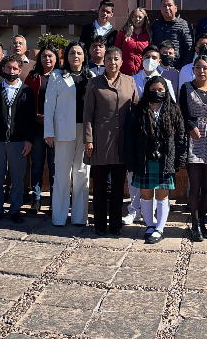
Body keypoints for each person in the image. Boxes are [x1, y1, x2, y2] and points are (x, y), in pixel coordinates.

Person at [83, 46, 138, 235]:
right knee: (99, 186)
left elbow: (135, 109)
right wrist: (88, 139)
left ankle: (115, 224)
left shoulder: (129, 81)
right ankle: (99, 225)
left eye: (116, 59)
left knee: (117, 186)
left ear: (121, 62)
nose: (112, 62)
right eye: (108, 59)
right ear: (104, 61)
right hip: (100, 141)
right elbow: (88, 114)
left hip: (122, 142)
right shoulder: (94, 83)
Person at [125, 76, 185, 244]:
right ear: (147, 91)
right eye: (153, 90)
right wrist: (131, 160)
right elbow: (129, 137)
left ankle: (160, 228)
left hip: (165, 160)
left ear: (166, 91)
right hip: (144, 158)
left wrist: (179, 159)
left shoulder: (173, 110)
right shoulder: (139, 110)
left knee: (162, 195)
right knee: (145, 194)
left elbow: (181, 136)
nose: (157, 93)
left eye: (160, 90)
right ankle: (149, 226)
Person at [0, 56, 35, 224]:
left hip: (18, 141)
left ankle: (15, 209)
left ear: (19, 70)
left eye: (14, 68)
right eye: (8, 68)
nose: (11, 71)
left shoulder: (26, 91)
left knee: (17, 178)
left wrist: (29, 140)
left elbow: (31, 118)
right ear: (3, 69)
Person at [43, 42, 91, 228]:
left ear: (84, 56)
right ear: (66, 57)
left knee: (82, 174)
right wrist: (49, 132)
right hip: (63, 130)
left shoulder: (91, 76)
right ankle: (59, 216)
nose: (75, 56)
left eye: (79, 53)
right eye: (72, 53)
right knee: (62, 175)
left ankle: (79, 217)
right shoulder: (57, 75)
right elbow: (49, 105)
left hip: (85, 131)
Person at [179, 55, 207, 242]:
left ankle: (203, 221)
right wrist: (190, 126)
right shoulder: (186, 88)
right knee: (194, 185)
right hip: (194, 137)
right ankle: (195, 223)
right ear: (193, 70)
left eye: (205, 68)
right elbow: (181, 112)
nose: (201, 71)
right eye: (198, 67)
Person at [25, 47, 57, 214]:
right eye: (44, 56)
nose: (47, 59)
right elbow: (25, 101)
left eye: (50, 56)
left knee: (53, 165)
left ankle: (54, 200)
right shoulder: (32, 77)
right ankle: (36, 199)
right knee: (37, 164)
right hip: (36, 127)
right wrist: (35, 115)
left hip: (55, 128)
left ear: (56, 58)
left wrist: (52, 118)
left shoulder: (61, 76)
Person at [151, 0, 194, 70]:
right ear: (161, 9)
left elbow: (189, 49)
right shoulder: (156, 24)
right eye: (164, 6)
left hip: (177, 68)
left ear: (175, 8)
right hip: (157, 68)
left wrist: (183, 68)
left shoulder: (184, 25)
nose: (167, 8)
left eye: (169, 5)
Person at [117, 7, 152, 76]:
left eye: (140, 17)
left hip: (142, 72)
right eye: (135, 16)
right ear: (131, 18)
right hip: (125, 71)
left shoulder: (149, 34)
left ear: (144, 19)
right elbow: (116, 50)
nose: (137, 19)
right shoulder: (123, 33)